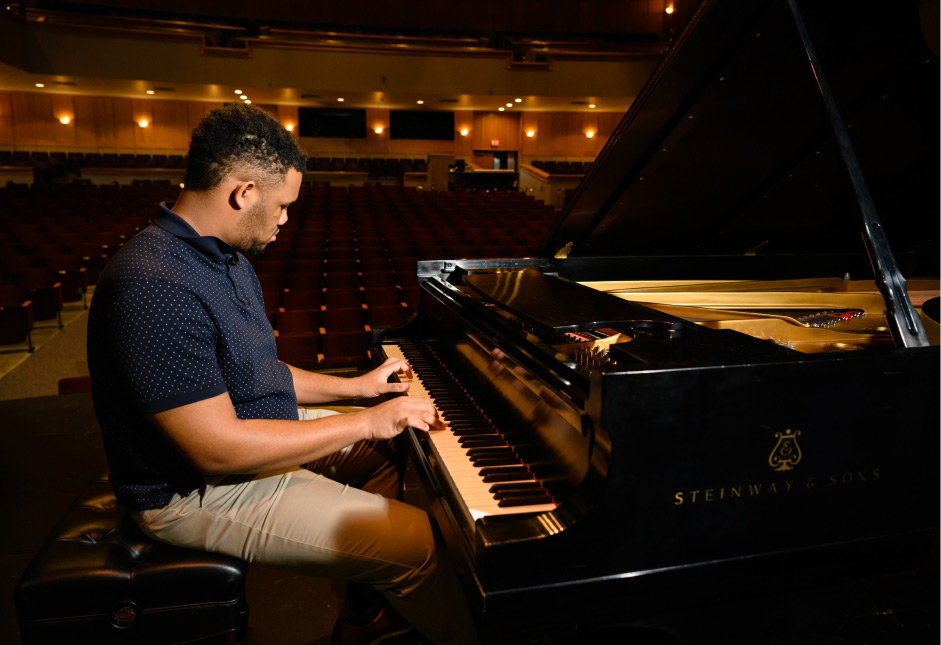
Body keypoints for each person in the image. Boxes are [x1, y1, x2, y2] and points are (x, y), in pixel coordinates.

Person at [87, 103, 475, 645]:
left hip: (242, 439)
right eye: (283, 205)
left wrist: (358, 389)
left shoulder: (226, 258)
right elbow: (218, 450)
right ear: (244, 192)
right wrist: (365, 421)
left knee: (403, 451)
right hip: (191, 491)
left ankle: (367, 614)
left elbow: (259, 373)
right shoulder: (155, 284)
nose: (285, 219)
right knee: (421, 547)